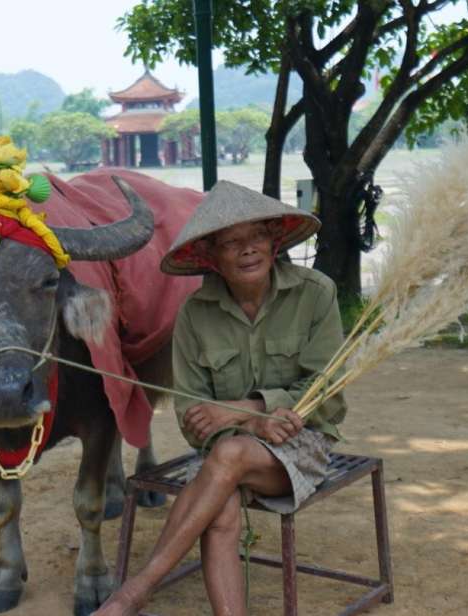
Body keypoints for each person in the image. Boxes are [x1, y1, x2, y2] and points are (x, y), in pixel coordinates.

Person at [94, 180, 347, 616]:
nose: (247, 250)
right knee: (222, 508)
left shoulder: (315, 293)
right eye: (231, 242)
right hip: (219, 457)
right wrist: (253, 424)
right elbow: (193, 417)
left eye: (257, 237)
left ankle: (134, 592)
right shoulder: (195, 313)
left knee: (229, 453)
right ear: (212, 257)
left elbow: (325, 390)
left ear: (274, 242)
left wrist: (252, 411)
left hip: (303, 445)